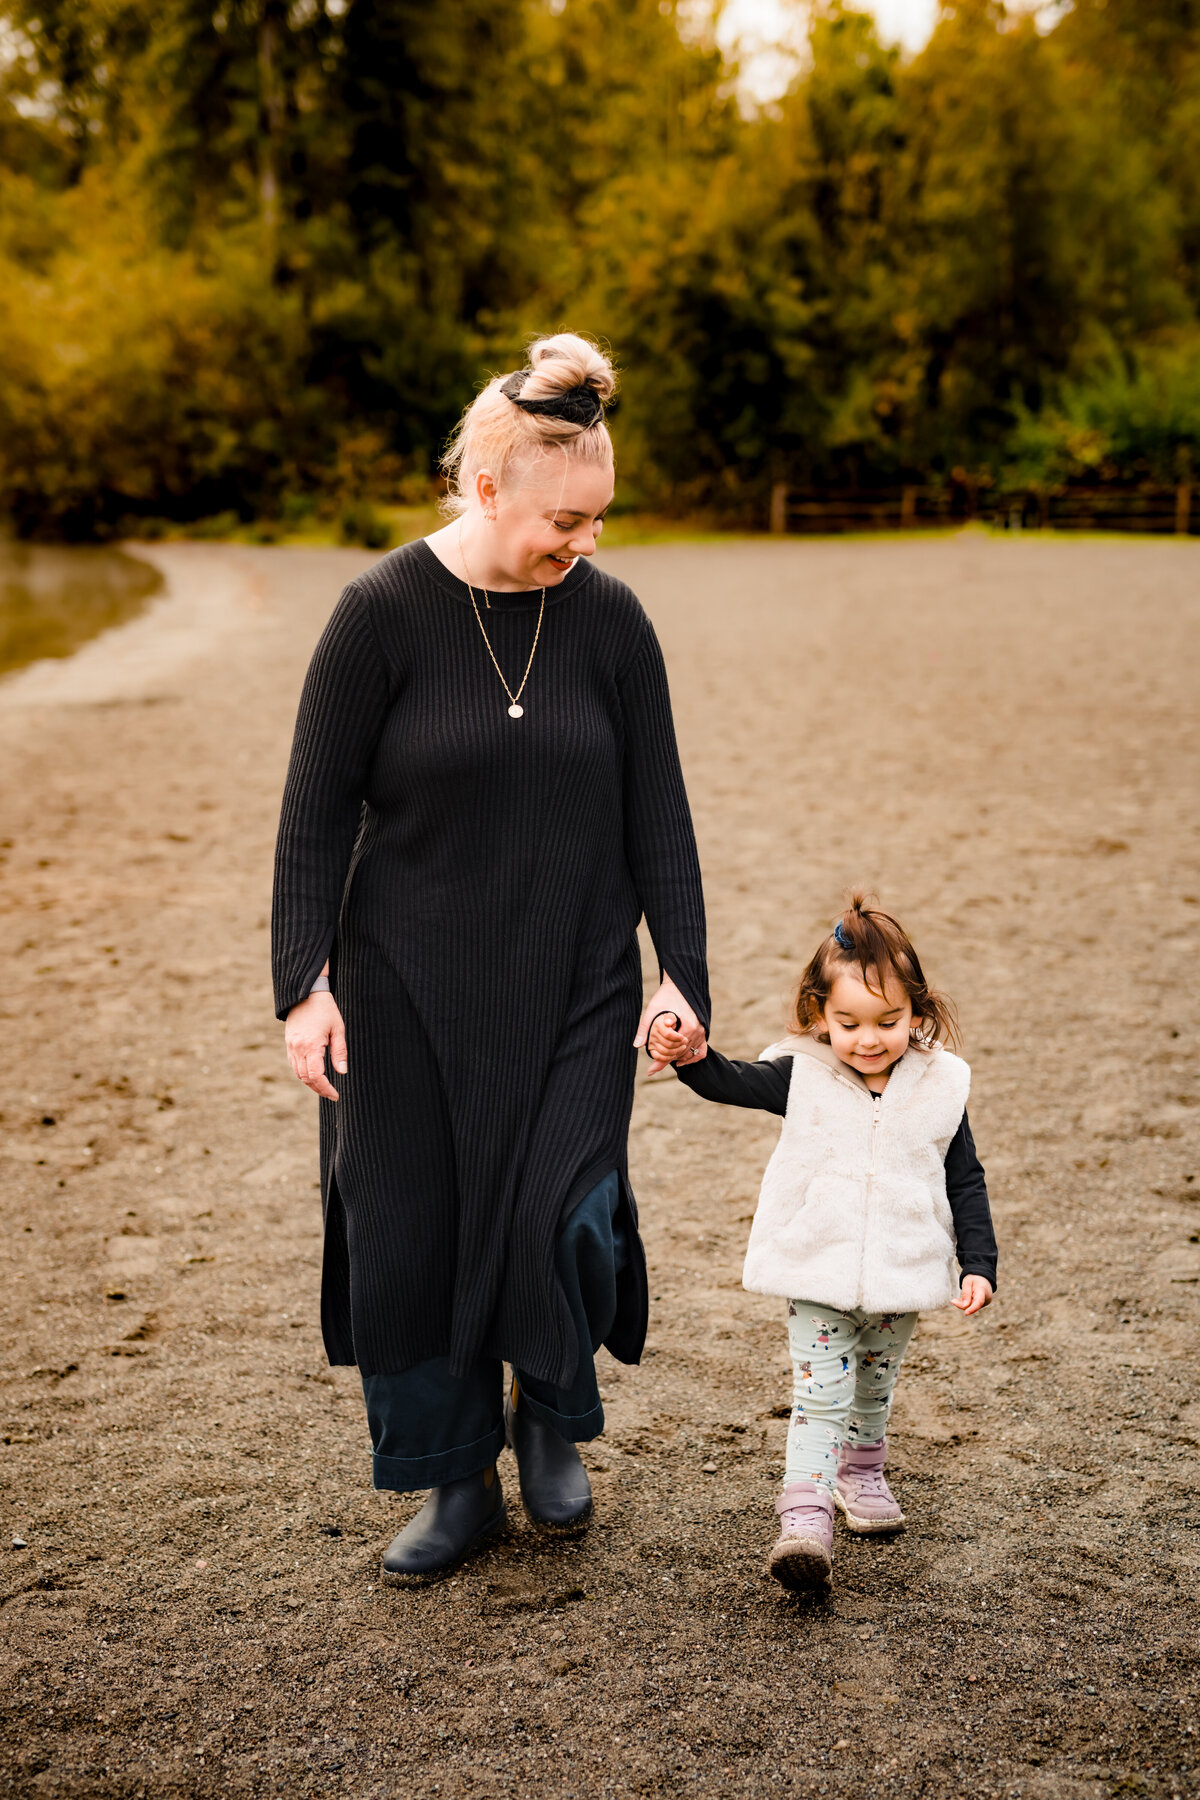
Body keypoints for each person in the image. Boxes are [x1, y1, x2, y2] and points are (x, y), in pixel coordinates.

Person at [273, 333, 709, 1583]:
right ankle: (453, 1483)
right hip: (399, 990)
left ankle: (550, 1418)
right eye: (563, 519)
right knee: (408, 1230)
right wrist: (304, 988)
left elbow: (659, 815)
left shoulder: (612, 624)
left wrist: (681, 970)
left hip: (573, 982)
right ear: (484, 491)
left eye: (599, 519)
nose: (584, 542)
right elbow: (311, 818)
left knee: (562, 1213)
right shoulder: (379, 616)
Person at [646, 893, 997, 1594]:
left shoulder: (941, 1088)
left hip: (902, 1273)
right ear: (818, 1015)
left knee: (873, 1386)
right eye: (848, 1023)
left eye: (888, 1023)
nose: (869, 1039)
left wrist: (978, 1264)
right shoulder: (801, 1074)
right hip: (818, 1269)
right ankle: (804, 1518)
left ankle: (862, 1474)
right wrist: (692, 1056)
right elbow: (730, 1081)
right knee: (822, 1394)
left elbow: (966, 1181)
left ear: (918, 1015)